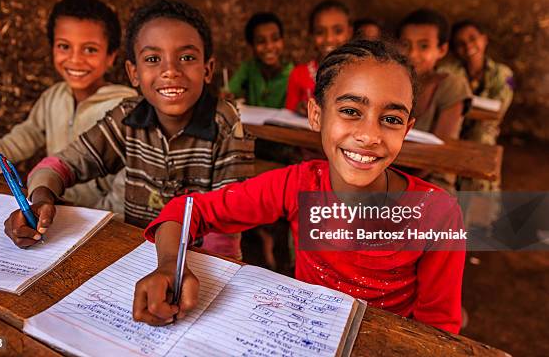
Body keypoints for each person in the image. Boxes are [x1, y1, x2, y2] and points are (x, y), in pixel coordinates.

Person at [134, 40, 465, 334]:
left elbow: (438, 330)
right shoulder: (298, 186)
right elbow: (187, 211)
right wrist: (167, 266)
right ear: (316, 115)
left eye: (391, 119)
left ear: (407, 129)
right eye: (351, 111)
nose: (369, 136)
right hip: (305, 336)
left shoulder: (436, 214)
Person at [3, 0, 255, 259]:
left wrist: (204, 271)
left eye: (187, 57)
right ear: (133, 73)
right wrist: (42, 200)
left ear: (208, 69)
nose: (170, 70)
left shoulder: (224, 123)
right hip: (133, 255)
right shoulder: (128, 117)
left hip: (196, 263)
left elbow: (227, 224)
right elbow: (61, 165)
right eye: (153, 58)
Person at [0, 0, 137, 211]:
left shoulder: (124, 109)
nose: (75, 59)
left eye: (90, 49)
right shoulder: (54, 97)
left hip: (101, 220)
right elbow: (12, 146)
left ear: (111, 57)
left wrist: (81, 219)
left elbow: (126, 189)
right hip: (53, 207)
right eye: (64, 46)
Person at [397, 8, 472, 192]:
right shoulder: (392, 82)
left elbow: (436, 157)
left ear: (442, 49)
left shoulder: (452, 86)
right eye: (406, 44)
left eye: (424, 46)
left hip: (431, 181)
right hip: (389, 174)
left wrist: (393, 187)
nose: (413, 54)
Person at [285, 0, 353, 116]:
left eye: (338, 31)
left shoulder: (361, 75)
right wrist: (298, 110)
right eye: (320, 32)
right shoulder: (298, 74)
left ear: (349, 32)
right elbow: (286, 117)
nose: (329, 39)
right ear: (311, 36)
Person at [227, 12, 293, 108]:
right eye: (261, 41)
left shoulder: (293, 74)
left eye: (275, 39)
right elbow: (230, 90)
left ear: (283, 41)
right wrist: (227, 95)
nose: (269, 47)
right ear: (251, 46)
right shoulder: (248, 68)